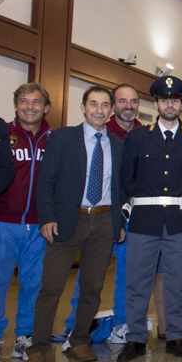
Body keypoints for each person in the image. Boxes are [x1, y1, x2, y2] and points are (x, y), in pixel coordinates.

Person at [22, 86, 126, 362]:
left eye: (105, 105)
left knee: (92, 288)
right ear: (83, 107)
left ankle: (79, 340)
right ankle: (39, 348)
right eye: (93, 104)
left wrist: (118, 223)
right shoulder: (63, 138)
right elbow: (46, 181)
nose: (99, 110)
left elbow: (120, 188)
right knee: (51, 287)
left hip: (104, 221)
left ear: (111, 110)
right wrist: (47, 218)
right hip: (67, 220)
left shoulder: (117, 145)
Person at [116, 76, 182, 362]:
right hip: (144, 221)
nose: (170, 104)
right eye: (164, 99)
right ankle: (135, 339)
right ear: (155, 103)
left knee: (178, 282)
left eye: (176, 99)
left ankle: (176, 337)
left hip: (180, 222)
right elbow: (125, 181)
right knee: (138, 283)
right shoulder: (139, 137)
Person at [63, 84, 143, 344]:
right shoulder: (100, 133)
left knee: (128, 275)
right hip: (104, 215)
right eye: (121, 101)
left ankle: (122, 323)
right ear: (112, 106)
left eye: (133, 101)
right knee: (89, 274)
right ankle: (75, 326)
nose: (127, 106)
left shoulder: (147, 134)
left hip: (137, 216)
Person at [0, 83, 51, 362]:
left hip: (40, 226)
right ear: (16, 105)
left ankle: (25, 337)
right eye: (23, 101)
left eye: (36, 101)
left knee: (34, 284)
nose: (29, 106)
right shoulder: (2, 134)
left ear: (46, 107)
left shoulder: (55, 139)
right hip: (3, 222)